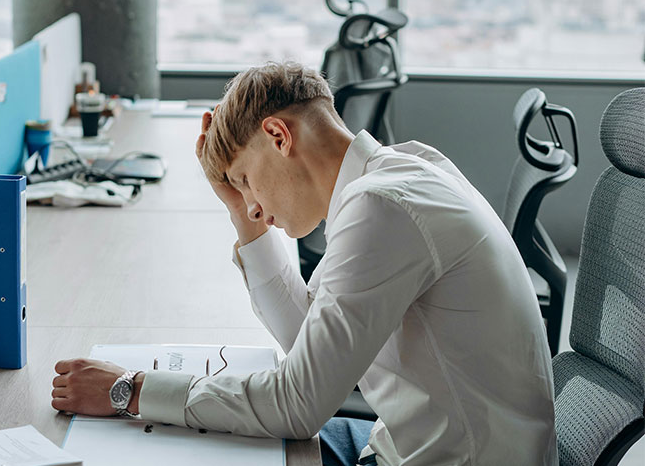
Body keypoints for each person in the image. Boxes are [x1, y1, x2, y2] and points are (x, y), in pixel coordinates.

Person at [52, 61, 558, 465]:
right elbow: (307, 338)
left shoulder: (382, 207)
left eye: (246, 179)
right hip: (405, 443)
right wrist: (241, 214)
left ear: (278, 136)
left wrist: (129, 390)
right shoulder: (402, 170)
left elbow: (296, 405)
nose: (251, 203)